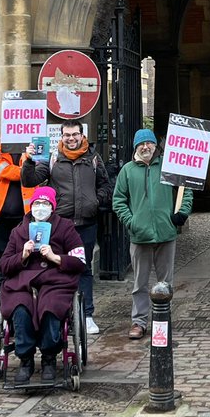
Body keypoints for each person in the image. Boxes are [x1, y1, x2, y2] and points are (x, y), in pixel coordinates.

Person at [21, 121, 112, 335]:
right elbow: (30, 180)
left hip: (86, 224)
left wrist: (95, 201)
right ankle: (60, 312)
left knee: (83, 267)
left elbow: (106, 185)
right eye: (67, 135)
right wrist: (29, 160)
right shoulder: (52, 158)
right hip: (60, 225)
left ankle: (86, 314)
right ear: (61, 137)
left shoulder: (93, 159)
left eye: (75, 134)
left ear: (82, 136)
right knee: (56, 267)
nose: (71, 138)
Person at [0, 187, 86, 385]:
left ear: (52, 207)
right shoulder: (19, 231)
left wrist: (56, 257)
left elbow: (80, 260)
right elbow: (3, 266)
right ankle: (25, 359)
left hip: (55, 280)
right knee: (20, 309)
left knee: (50, 307)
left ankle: (49, 357)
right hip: (22, 282)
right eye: (37, 204)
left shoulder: (65, 228)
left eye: (45, 204)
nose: (40, 208)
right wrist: (22, 255)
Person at [112, 129, 193, 339]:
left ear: (155, 146)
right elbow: (118, 200)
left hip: (166, 233)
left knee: (166, 283)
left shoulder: (169, 167)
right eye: (141, 144)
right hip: (140, 236)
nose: (146, 147)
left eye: (149, 143)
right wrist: (132, 222)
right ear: (135, 147)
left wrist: (182, 212)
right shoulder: (128, 171)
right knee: (140, 283)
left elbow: (187, 188)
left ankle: (162, 320)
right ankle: (139, 321)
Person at [0, 138, 35, 300]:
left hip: (26, 213)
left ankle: (22, 286)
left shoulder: (32, 142)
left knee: (26, 251)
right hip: (0, 212)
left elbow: (40, 169)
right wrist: (23, 171)